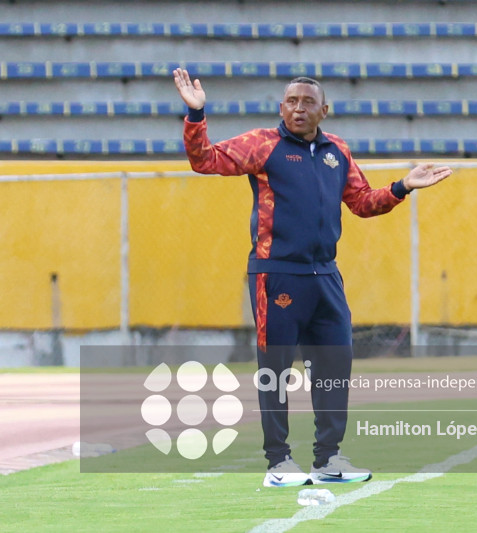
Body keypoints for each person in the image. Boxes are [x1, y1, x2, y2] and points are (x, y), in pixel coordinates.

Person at [173, 68, 451, 487]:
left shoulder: (337, 150)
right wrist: (196, 115)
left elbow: (361, 202)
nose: (298, 108)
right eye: (291, 101)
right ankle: (278, 462)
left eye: (307, 102)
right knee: (276, 368)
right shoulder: (263, 145)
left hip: (326, 275)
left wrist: (401, 187)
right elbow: (204, 160)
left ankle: (329, 459)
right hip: (277, 274)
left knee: (335, 363)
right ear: (280, 107)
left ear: (324, 110)